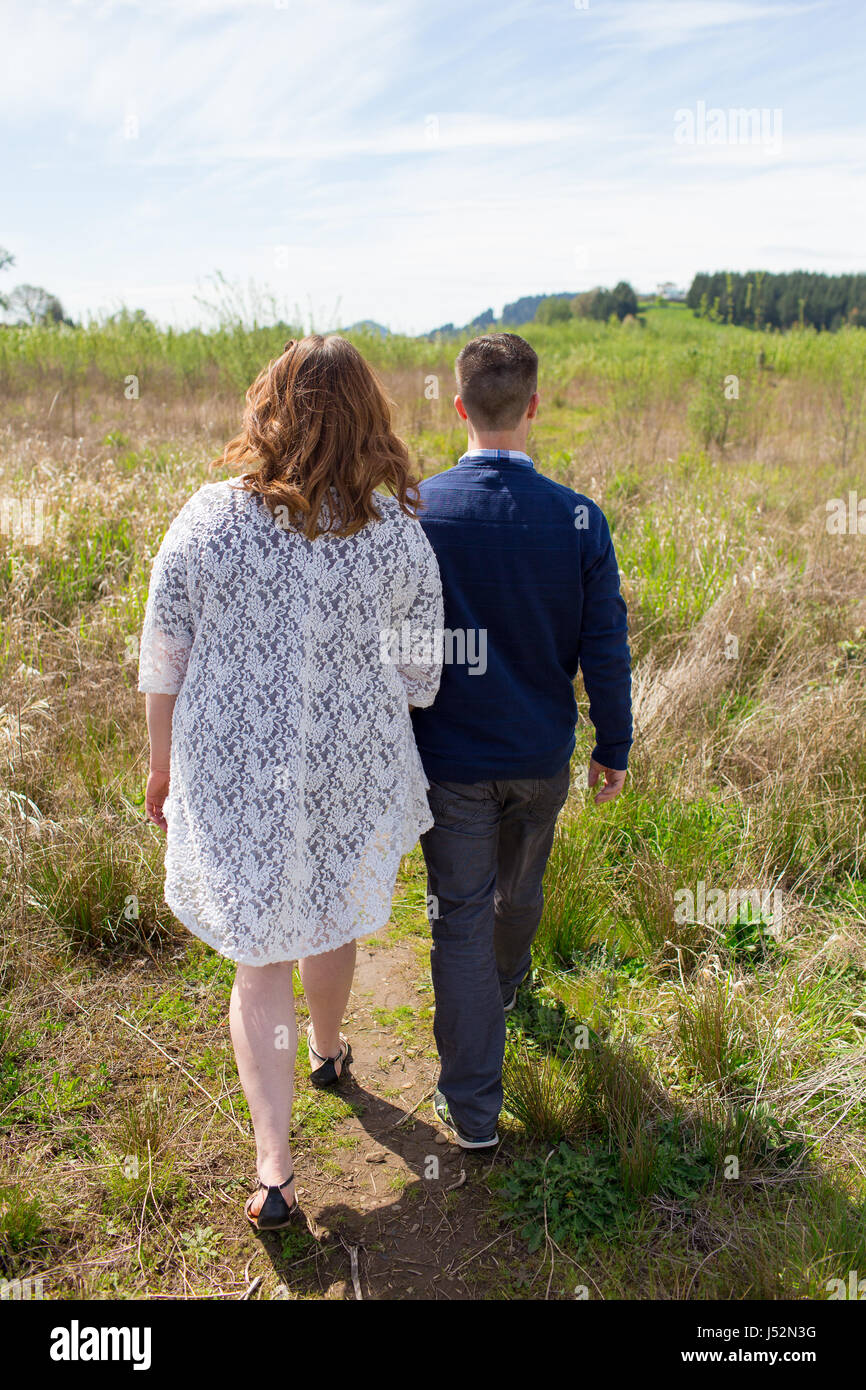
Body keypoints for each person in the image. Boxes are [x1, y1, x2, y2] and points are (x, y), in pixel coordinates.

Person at [139, 334, 443, 1228]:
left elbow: (164, 655)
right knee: (332, 911)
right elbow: (424, 677)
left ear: (268, 409)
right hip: (344, 766)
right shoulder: (397, 537)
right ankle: (329, 1046)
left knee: (257, 953)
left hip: (232, 767)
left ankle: (273, 1169)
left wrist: (159, 766)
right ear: (368, 420)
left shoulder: (205, 516)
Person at [411, 332, 632, 1149]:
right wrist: (614, 743)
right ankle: (504, 985)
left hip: (451, 763)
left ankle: (473, 1112)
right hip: (542, 755)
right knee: (520, 890)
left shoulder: (418, 509)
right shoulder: (579, 519)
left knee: (459, 919)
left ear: (460, 406)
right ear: (534, 405)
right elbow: (604, 645)